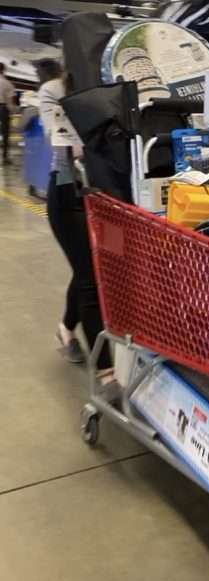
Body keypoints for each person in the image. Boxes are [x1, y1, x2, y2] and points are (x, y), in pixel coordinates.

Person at [36, 59, 112, 374]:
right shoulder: (53, 90)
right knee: (90, 278)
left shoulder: (109, 85)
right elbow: (61, 139)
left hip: (105, 189)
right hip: (69, 191)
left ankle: (66, 328)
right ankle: (106, 370)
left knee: (90, 266)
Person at [0, 61, 15, 164]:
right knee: (5, 133)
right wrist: (11, 111)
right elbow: (10, 101)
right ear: (3, 70)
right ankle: (5, 157)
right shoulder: (7, 83)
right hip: (2, 108)